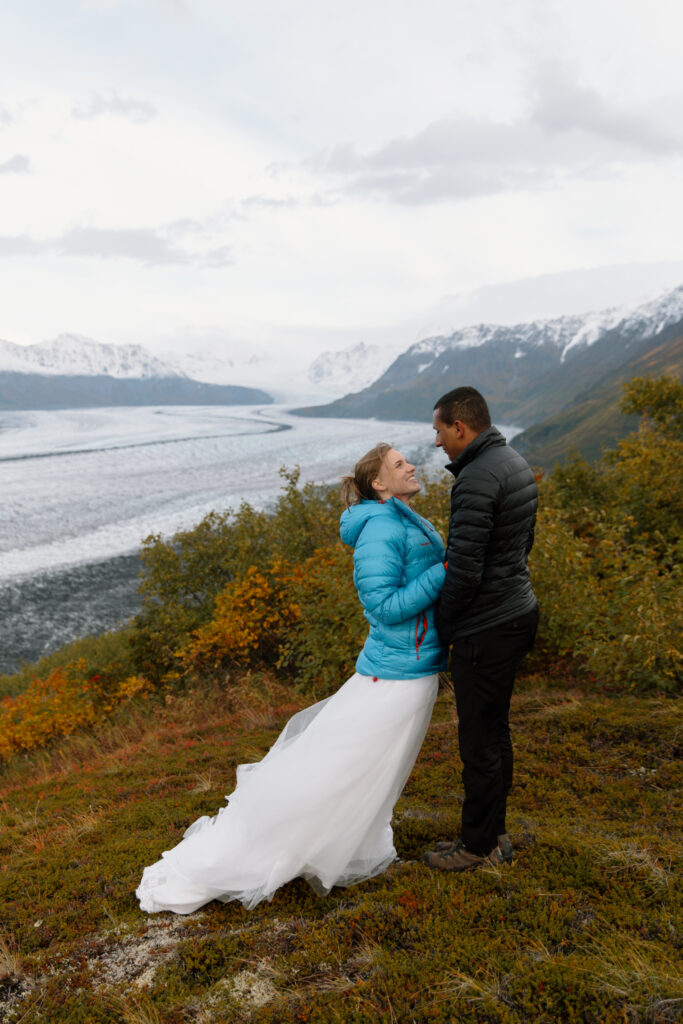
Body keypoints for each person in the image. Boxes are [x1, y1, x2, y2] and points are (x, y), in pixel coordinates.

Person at [136, 443, 447, 914]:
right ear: (379, 484)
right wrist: (445, 573)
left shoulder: (398, 514)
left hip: (412, 663)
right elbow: (382, 607)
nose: (411, 466)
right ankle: (266, 846)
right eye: (399, 464)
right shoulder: (381, 527)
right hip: (397, 670)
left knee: (366, 767)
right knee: (346, 765)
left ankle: (346, 844)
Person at [422, 387, 538, 874]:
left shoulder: (474, 479)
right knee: (495, 731)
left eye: (439, 431)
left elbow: (464, 570)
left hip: (486, 628)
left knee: (479, 741)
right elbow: (520, 545)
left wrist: (445, 627)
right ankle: (494, 834)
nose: (437, 441)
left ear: (460, 428)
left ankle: (477, 846)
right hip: (515, 611)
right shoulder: (514, 461)